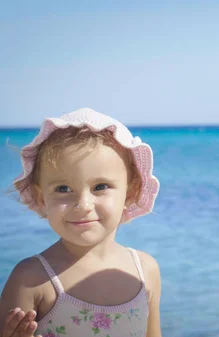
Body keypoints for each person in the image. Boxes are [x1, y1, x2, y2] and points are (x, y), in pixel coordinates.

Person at [0, 108, 162, 337]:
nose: (83, 204)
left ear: (130, 193)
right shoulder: (31, 279)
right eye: (63, 189)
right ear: (41, 198)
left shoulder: (145, 271)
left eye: (100, 187)